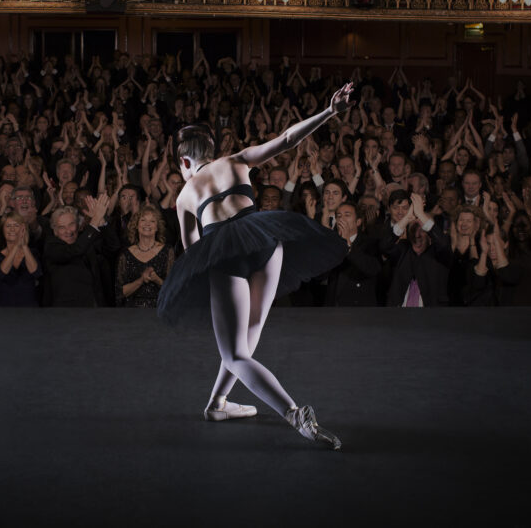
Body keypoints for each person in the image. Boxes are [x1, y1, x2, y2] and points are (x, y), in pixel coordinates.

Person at [157, 83, 355, 450]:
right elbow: (287, 139)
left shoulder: (185, 194)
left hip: (226, 253)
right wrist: (330, 111)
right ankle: (217, 404)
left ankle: (295, 414)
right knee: (248, 338)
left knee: (234, 352)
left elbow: (195, 253)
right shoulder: (235, 161)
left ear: (184, 162)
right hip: (266, 240)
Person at [115, 203, 174, 308]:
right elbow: (121, 292)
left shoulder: (167, 251)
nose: (147, 224)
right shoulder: (126, 254)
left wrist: (157, 280)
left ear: (157, 227)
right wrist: (141, 280)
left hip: (159, 310)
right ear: (137, 226)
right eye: (143, 220)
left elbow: (173, 290)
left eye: (152, 221)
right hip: (132, 312)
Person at [0, 213, 41, 307]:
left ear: (23, 229)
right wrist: (16, 246)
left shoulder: (33, 252)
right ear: (2, 230)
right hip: (5, 309)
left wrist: (24, 245)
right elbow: (2, 273)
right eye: (8, 226)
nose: (12, 229)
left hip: (30, 309)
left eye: (16, 225)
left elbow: (35, 272)